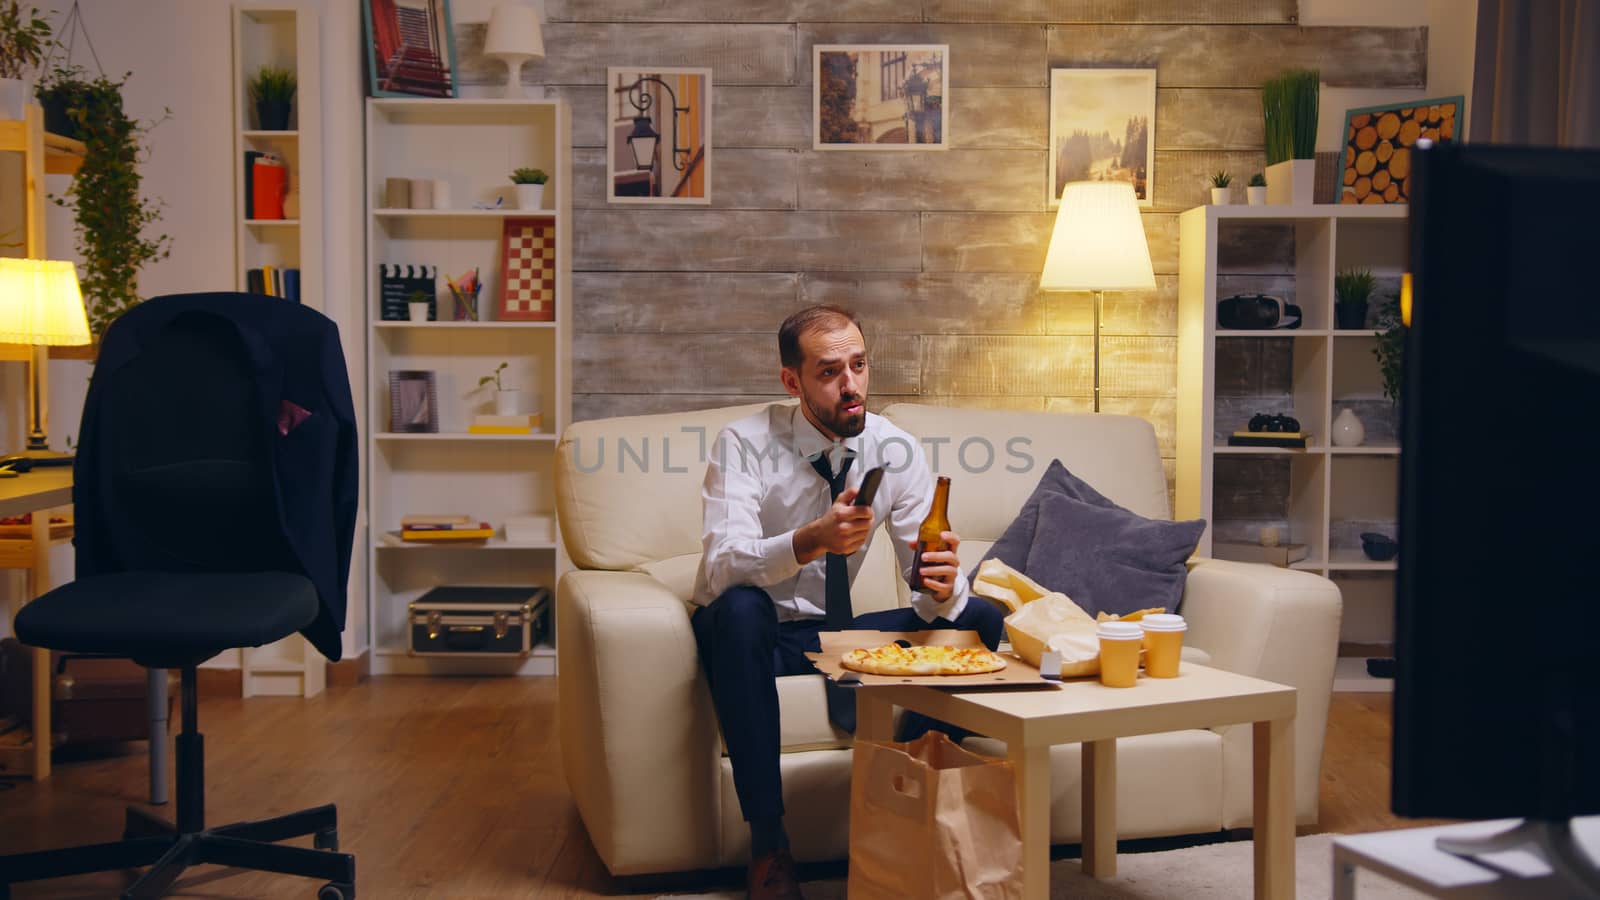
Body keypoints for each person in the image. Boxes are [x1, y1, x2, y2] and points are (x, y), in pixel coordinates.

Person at [689, 304, 1004, 900]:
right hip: (755, 634)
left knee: (980, 616)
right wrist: (809, 541)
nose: (852, 384)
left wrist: (941, 582)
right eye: (830, 371)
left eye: (859, 366)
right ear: (793, 382)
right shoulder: (745, 443)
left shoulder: (895, 448)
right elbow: (721, 568)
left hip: (832, 638)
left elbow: (928, 580)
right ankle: (770, 843)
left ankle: (904, 781)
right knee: (739, 610)